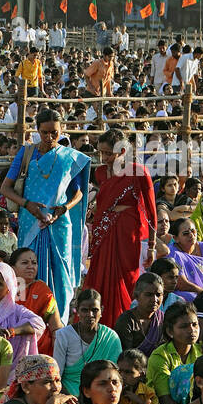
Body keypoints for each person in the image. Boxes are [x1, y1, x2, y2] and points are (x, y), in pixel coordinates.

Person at [0, 109, 90, 320]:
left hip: (59, 225)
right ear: (38, 130)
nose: (49, 138)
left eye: (54, 133)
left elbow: (78, 193)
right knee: (28, 271)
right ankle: (27, 320)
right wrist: (27, 204)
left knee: (61, 276)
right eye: (45, 132)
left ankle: (60, 324)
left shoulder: (69, 158)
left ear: (61, 131)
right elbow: (6, 188)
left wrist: (65, 207)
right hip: (31, 221)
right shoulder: (27, 152)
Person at [85, 127, 157, 327]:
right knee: (99, 278)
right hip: (104, 233)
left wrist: (151, 245)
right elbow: (103, 202)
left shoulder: (138, 172)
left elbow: (151, 212)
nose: (104, 157)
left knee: (127, 279)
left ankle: (125, 325)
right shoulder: (100, 173)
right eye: (101, 152)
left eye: (109, 153)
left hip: (128, 234)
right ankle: (98, 324)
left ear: (123, 152)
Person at [52, 288, 121, 396]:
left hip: (102, 394)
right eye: (84, 310)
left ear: (101, 310)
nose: (90, 314)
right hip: (69, 394)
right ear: (77, 310)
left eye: (95, 310)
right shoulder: (63, 335)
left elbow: (114, 375)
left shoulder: (111, 338)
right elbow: (57, 375)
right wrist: (72, 399)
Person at [10, 248, 62, 357]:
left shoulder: (42, 289)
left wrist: (59, 357)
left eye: (34, 263)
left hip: (39, 350)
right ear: (12, 268)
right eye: (25, 263)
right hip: (8, 345)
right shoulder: (4, 288)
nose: (31, 266)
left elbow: (56, 328)